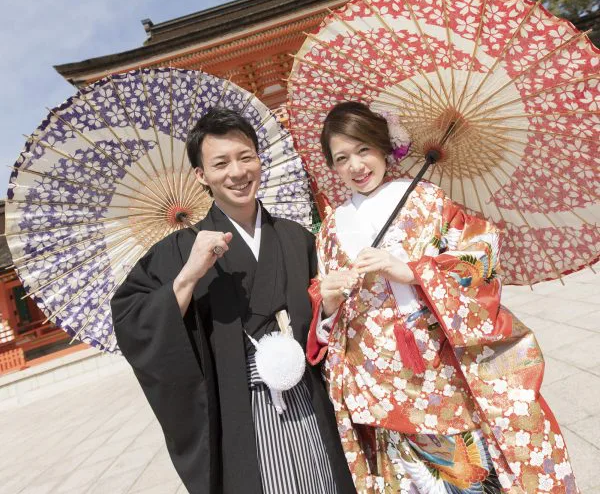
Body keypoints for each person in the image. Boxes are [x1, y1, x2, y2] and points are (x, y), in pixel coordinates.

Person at [306, 102, 577, 493]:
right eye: (342, 158)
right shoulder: (330, 228)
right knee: (408, 478)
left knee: (472, 472)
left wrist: (413, 271)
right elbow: (325, 298)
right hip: (378, 381)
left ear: (384, 147)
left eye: (363, 149)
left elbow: (478, 255)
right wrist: (328, 304)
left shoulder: (426, 200)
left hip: (439, 367)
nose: (356, 166)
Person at [111, 109, 356, 494]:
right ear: (200, 175)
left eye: (246, 157)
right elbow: (132, 319)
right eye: (220, 163)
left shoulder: (296, 238)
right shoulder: (180, 250)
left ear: (259, 159)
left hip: (308, 399)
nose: (237, 173)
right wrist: (187, 277)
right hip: (243, 410)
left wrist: (327, 308)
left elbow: (328, 326)